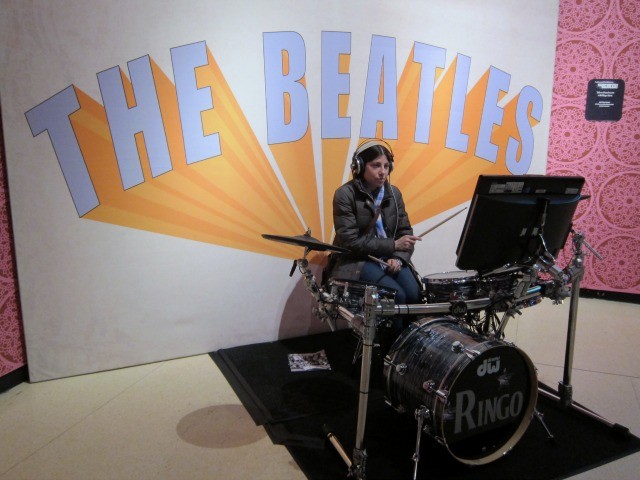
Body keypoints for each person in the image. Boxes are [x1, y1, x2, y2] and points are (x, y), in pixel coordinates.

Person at [328, 139, 422, 305]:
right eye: (376, 165)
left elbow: (405, 233)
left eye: (386, 166)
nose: (382, 172)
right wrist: (393, 245)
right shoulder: (344, 195)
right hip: (357, 260)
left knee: (415, 295)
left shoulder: (394, 193)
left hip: (390, 255)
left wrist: (398, 258)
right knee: (396, 296)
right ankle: (387, 332)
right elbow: (350, 242)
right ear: (359, 166)